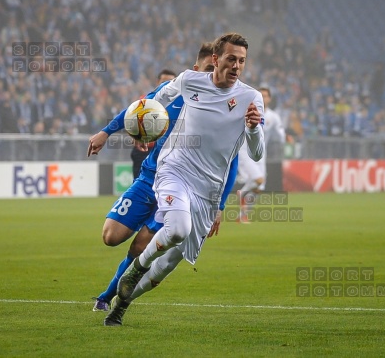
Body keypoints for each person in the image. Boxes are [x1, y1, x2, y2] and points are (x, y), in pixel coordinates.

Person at [106, 32, 264, 326]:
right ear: (216, 60)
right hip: (175, 170)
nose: (237, 66)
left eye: (242, 61)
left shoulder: (251, 98)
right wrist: (138, 126)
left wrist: (254, 129)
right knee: (177, 228)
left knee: (164, 268)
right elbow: (156, 99)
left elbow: (256, 153)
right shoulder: (191, 81)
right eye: (231, 59)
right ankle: (136, 267)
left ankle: (121, 304)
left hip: (208, 191)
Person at [87, 43, 238, 312]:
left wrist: (220, 206)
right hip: (149, 179)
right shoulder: (177, 92)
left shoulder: (221, 109)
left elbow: (232, 159)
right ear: (195, 70)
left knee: (140, 247)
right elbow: (137, 109)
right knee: (110, 236)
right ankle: (111, 293)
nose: (209, 77)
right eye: (206, 70)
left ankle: (107, 296)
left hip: (183, 188)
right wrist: (106, 132)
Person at [237, 86, 285, 223]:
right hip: (245, 151)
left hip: (260, 153)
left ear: (270, 98)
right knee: (258, 180)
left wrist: (285, 138)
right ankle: (243, 193)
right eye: (261, 95)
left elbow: (279, 133)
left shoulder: (273, 117)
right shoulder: (248, 110)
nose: (264, 98)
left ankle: (243, 215)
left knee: (259, 188)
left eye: (266, 96)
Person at [131, 69, 177, 179]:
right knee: (140, 184)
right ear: (157, 82)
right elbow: (132, 119)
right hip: (144, 149)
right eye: (164, 81)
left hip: (166, 151)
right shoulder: (146, 99)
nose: (167, 84)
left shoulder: (180, 103)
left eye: (171, 81)